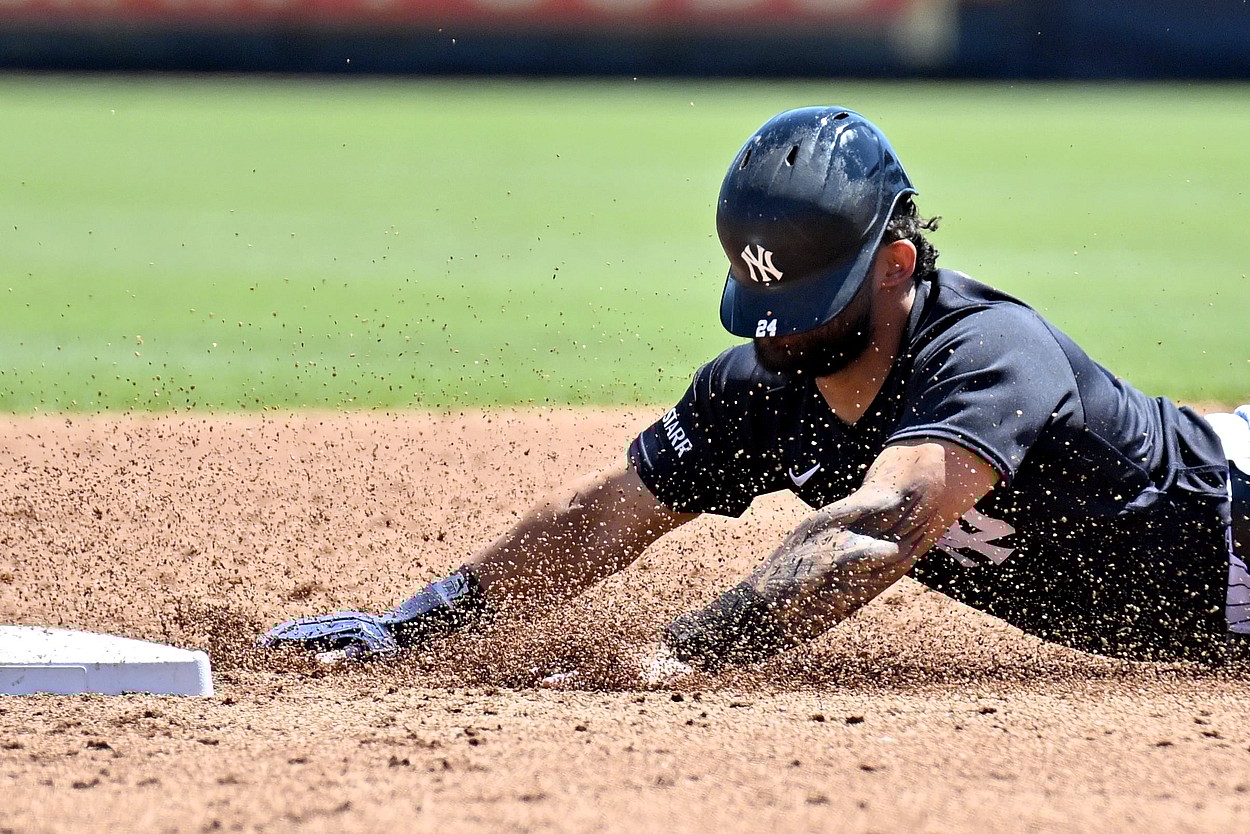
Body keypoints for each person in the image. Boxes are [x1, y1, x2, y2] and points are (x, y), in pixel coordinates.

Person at [261, 106, 1250, 681]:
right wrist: (412, 627)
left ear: (895, 264)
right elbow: (599, 520)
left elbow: (880, 524)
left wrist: (674, 657)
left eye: (812, 305)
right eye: (767, 305)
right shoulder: (764, 386)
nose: (782, 336)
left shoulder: (989, 352)